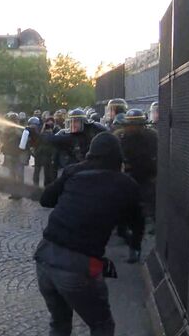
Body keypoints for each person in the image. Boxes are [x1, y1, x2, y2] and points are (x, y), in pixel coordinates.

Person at [35, 132, 144, 336]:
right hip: (78, 266)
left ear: (90, 153)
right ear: (118, 157)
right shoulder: (126, 184)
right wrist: (135, 246)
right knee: (102, 325)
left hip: (44, 258)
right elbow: (135, 222)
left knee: (59, 323)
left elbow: (46, 199)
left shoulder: (73, 171)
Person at [114, 109, 158, 241]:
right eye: (130, 124)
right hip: (127, 175)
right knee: (124, 205)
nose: (132, 127)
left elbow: (157, 156)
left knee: (150, 201)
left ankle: (155, 225)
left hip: (147, 174)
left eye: (137, 124)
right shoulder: (119, 136)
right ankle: (123, 229)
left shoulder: (152, 136)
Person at [33, 116, 58, 187]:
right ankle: (36, 189)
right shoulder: (41, 131)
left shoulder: (55, 131)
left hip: (47, 156)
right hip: (41, 155)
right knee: (38, 172)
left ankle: (45, 188)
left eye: (51, 124)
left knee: (47, 174)